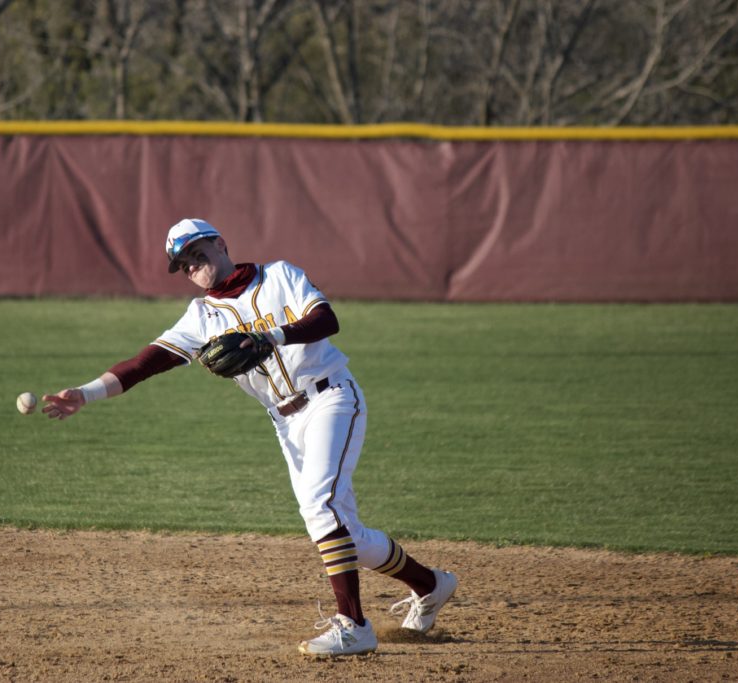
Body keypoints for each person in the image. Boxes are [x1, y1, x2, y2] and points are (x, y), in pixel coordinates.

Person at [42, 218, 458, 656]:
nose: (192, 267)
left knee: (321, 510)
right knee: (341, 531)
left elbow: (326, 320)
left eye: (197, 253)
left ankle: (353, 625)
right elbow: (144, 363)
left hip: (331, 396)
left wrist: (271, 335)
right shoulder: (200, 318)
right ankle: (431, 585)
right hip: (285, 421)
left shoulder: (279, 275)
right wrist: (85, 394)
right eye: (183, 265)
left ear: (221, 244)